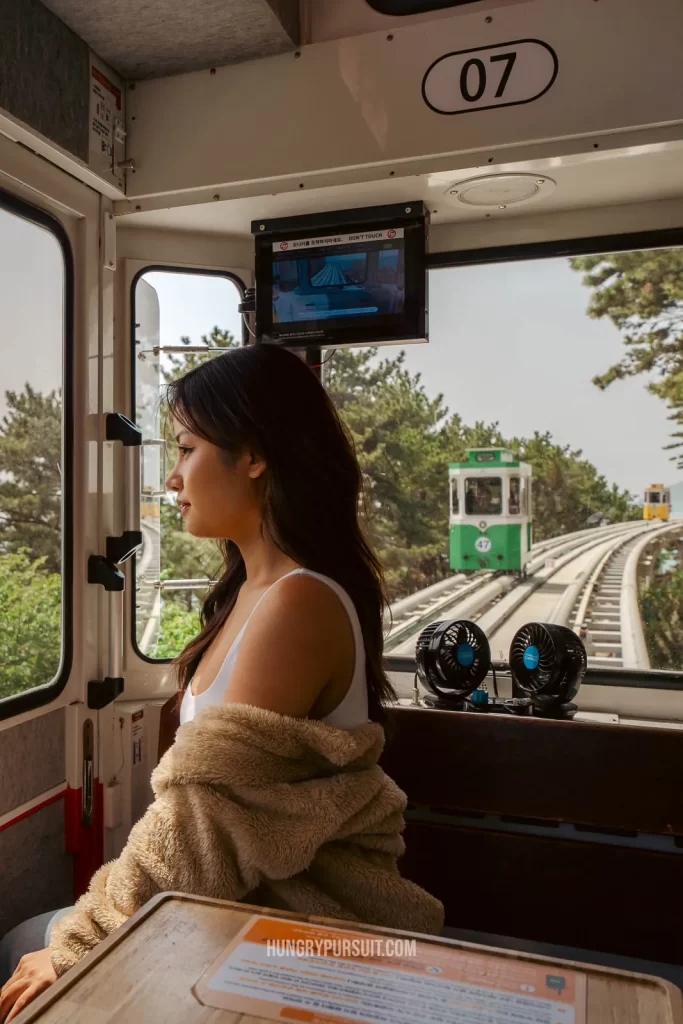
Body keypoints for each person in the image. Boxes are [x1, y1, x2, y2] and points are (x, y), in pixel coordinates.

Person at [0, 343, 443, 1021]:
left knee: (31, 949)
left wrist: (78, 942)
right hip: (237, 902)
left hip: (301, 923)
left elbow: (205, 826)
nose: (172, 478)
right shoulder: (249, 593)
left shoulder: (298, 602)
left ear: (254, 456)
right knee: (24, 942)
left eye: (185, 450)